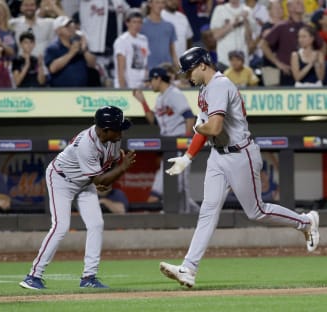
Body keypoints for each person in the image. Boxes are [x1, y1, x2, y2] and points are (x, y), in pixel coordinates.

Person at [158, 47, 320, 288]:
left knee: (256, 212)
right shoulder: (204, 89)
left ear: (203, 65)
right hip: (218, 155)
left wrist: (197, 128)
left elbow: (211, 128)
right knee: (208, 211)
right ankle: (189, 268)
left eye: (190, 70)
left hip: (239, 154)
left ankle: (306, 222)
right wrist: (188, 157)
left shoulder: (220, 85)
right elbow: (207, 130)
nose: (187, 75)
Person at [19, 106, 136, 290]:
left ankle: (88, 277)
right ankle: (33, 276)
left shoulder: (113, 140)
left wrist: (109, 177)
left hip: (84, 183)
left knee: (96, 224)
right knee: (61, 226)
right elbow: (99, 179)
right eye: (118, 128)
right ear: (105, 130)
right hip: (61, 179)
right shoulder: (86, 144)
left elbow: (102, 178)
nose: (121, 132)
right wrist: (121, 169)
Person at [132, 67, 199, 213]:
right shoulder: (161, 97)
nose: (149, 84)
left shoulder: (174, 94)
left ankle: (194, 219)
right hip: (169, 148)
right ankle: (198, 217)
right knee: (177, 190)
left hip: (179, 147)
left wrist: (186, 142)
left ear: (158, 79)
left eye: (151, 81)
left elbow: (190, 117)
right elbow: (154, 121)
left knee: (180, 189)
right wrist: (142, 102)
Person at [44, 15, 96, 87]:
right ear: (58, 31)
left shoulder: (79, 43)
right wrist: (71, 53)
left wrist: (84, 49)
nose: (70, 28)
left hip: (82, 90)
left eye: (71, 25)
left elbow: (92, 64)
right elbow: (52, 69)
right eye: (66, 26)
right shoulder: (52, 48)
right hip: (61, 92)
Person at [113, 8, 149, 88]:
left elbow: (145, 63)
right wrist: (123, 88)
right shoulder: (122, 41)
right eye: (134, 22)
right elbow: (120, 69)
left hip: (141, 85)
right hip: (127, 86)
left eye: (139, 22)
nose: (137, 25)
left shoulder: (144, 40)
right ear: (127, 23)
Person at [141, 0, 177, 70]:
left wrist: (177, 69)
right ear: (150, 4)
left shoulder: (169, 26)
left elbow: (172, 51)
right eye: (157, 2)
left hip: (167, 70)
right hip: (148, 70)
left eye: (162, 2)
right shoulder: (141, 26)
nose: (160, 5)